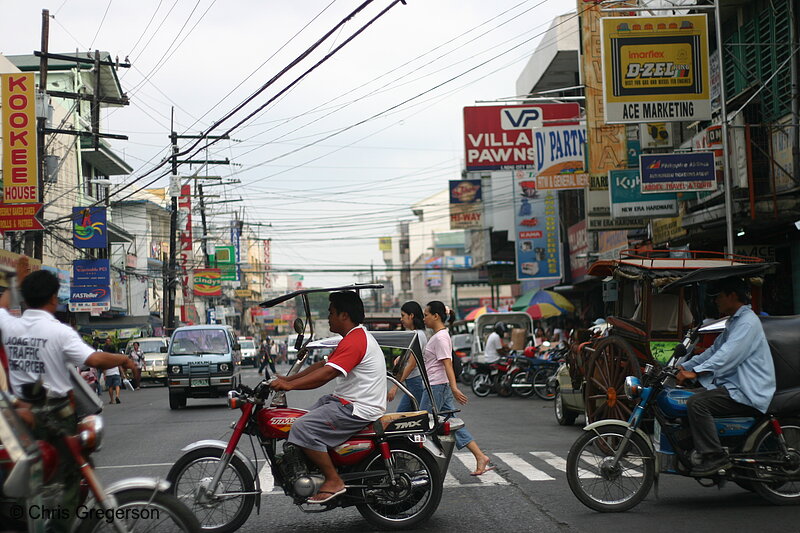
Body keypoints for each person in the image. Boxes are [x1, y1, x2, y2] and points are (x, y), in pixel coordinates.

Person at [0, 256, 138, 533]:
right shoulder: (59, 332)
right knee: (74, 474)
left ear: (26, 298)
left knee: (30, 479)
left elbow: (3, 306)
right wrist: (123, 359)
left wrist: (13, 281)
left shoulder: (10, 326)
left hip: (21, 418)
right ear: (54, 299)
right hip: (56, 416)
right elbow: (95, 359)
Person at [270, 291, 386, 504]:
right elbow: (322, 366)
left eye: (331, 313)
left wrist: (289, 385)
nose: (328, 317)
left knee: (302, 428)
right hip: (344, 401)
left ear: (344, 315)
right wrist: (287, 378)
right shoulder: (352, 338)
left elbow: (326, 375)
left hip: (357, 408)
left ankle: (334, 480)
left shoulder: (356, 340)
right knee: (295, 419)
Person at [677, 277, 775, 476]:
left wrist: (695, 372)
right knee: (688, 396)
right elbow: (713, 351)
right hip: (734, 386)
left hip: (747, 391)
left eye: (719, 296)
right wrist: (681, 366)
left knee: (697, 403)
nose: (716, 301)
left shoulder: (747, 323)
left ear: (732, 296)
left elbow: (727, 355)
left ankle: (714, 456)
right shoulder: (734, 321)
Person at [421, 300, 493, 476]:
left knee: (420, 425)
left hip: (437, 386)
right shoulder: (439, 335)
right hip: (438, 385)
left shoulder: (440, 337)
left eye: (426, 315)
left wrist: (453, 387)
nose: (424, 319)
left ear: (436, 316)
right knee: (454, 424)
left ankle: (424, 466)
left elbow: (448, 363)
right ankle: (480, 456)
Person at [387, 301, 427, 412]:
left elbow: (411, 365)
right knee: (409, 419)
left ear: (411, 316)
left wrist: (395, 387)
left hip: (415, 382)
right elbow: (412, 358)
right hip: (413, 383)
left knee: (406, 417)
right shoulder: (416, 334)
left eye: (403, 315)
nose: (401, 319)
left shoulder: (417, 335)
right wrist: (401, 358)